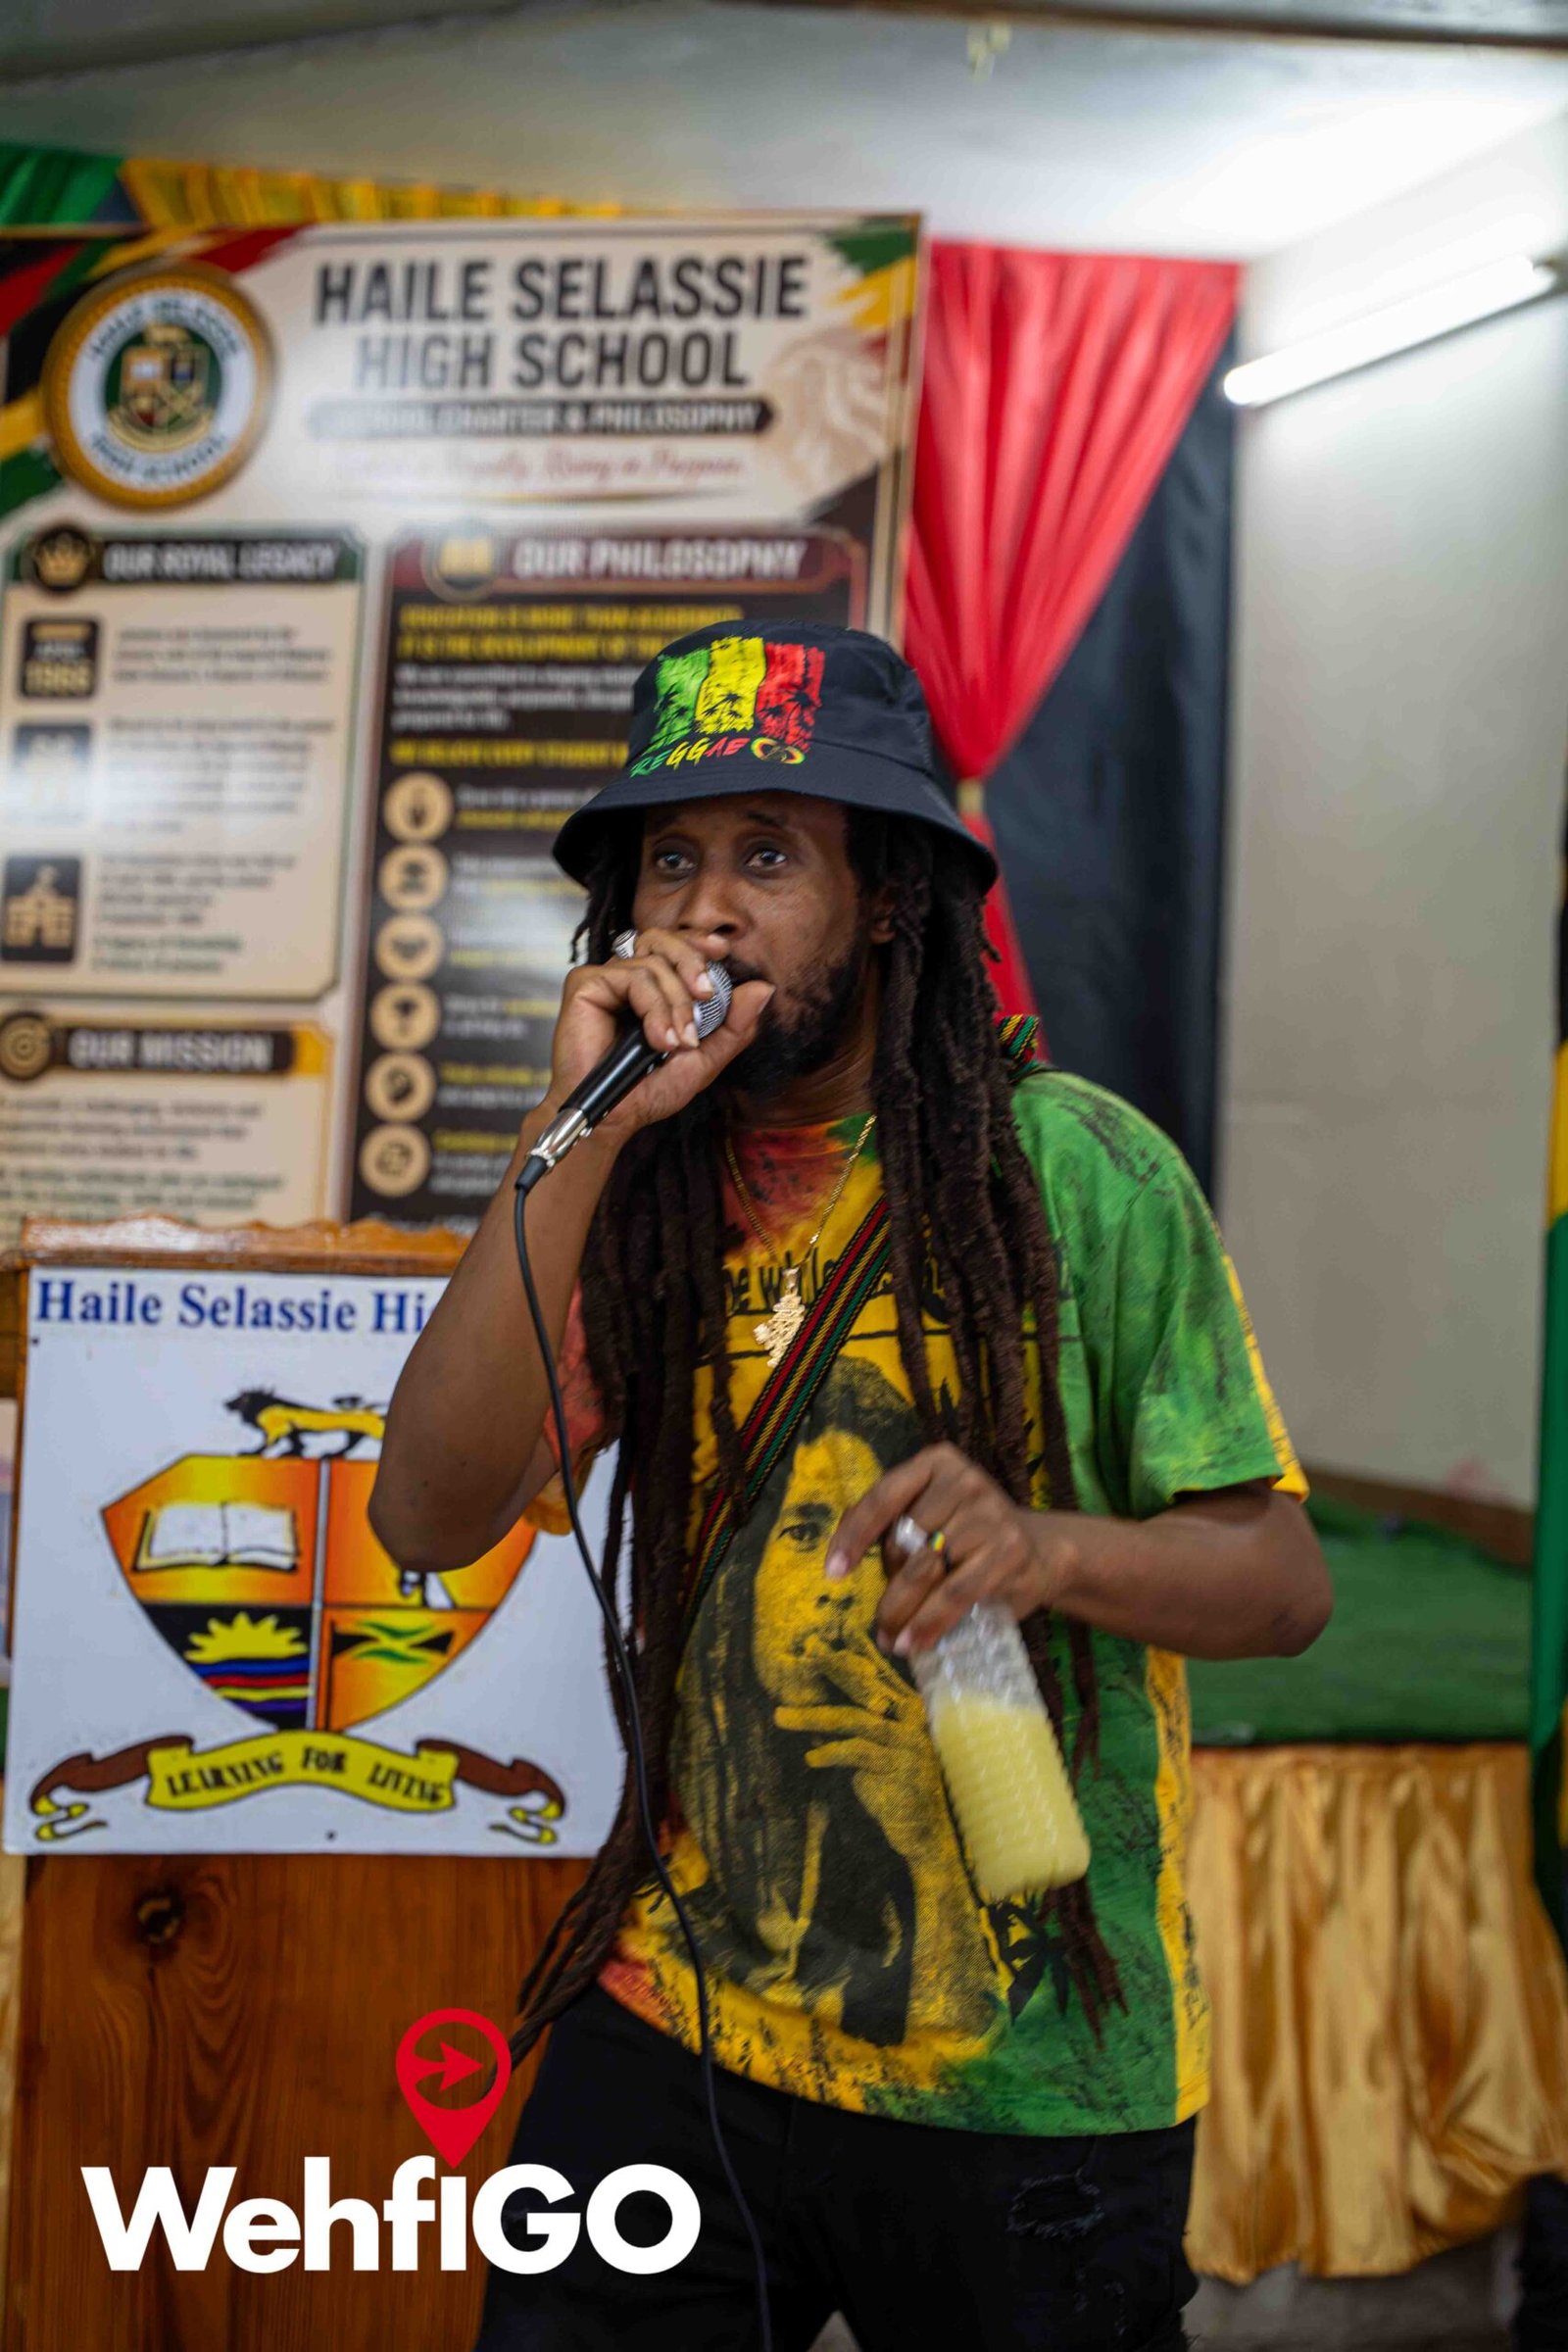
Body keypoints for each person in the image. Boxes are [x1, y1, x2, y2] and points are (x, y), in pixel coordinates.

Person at [371, 621, 1333, 2352]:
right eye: (672, 860)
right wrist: (569, 1127)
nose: (707, 911)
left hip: (1022, 2075)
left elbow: (1280, 1585)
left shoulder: (1083, 1172)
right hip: (682, 2020)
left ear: (886, 896)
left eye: (769, 856)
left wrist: (1045, 1551)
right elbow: (426, 1518)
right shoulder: (638, 1186)